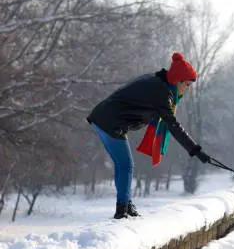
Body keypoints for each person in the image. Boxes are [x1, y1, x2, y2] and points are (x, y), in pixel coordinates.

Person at [87, 52, 211, 219]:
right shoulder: (162, 93)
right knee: (126, 164)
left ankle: (126, 203)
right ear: (178, 80)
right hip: (109, 121)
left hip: (104, 118)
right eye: (187, 85)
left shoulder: (158, 82)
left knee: (122, 164)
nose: (187, 89)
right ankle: (122, 209)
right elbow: (173, 125)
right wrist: (195, 150)